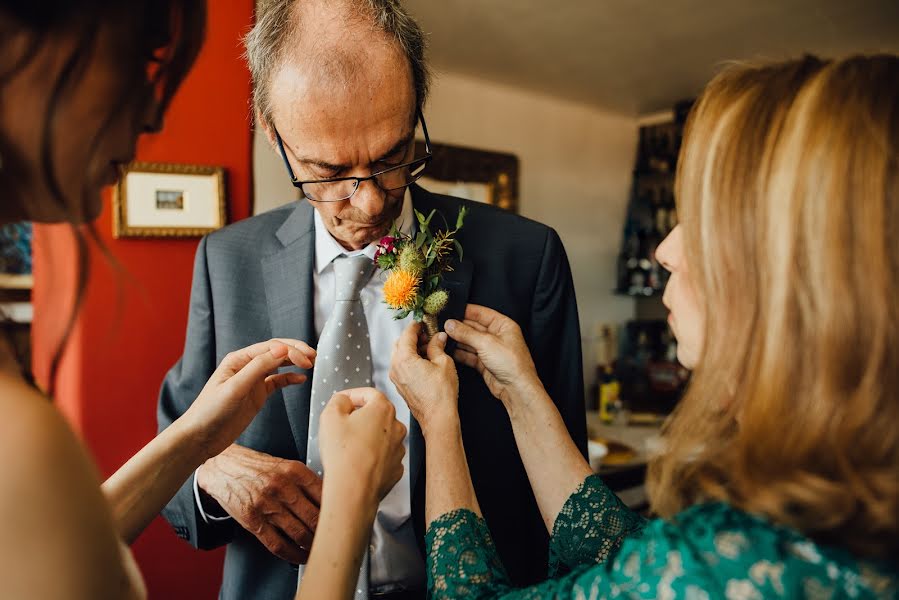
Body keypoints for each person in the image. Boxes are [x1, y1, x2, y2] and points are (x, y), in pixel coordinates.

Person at [381, 55, 899, 598]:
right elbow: (619, 554)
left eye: (706, 220)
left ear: (806, 272)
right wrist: (520, 391)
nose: (666, 249)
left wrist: (439, 422)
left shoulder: (746, 559)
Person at [157, 0, 586, 598]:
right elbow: (174, 454)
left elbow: (571, 503)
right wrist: (211, 471)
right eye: (327, 173)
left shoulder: (527, 258)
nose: (367, 204)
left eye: (390, 160)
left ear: (415, 109)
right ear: (268, 124)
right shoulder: (226, 260)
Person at [0, 2, 405, 598]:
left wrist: (194, 444)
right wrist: (350, 494)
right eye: (143, 60)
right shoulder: (21, 437)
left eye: (392, 157)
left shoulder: (524, 256)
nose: (154, 111)